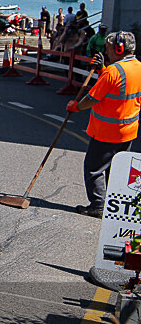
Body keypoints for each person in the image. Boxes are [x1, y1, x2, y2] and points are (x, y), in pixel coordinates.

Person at [66, 32, 141, 217]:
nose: (106, 52)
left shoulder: (113, 72)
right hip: (128, 131)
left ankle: (98, 206)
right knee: (116, 170)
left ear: (119, 49)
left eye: (108, 49)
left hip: (107, 132)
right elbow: (119, 87)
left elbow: (92, 98)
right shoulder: (138, 67)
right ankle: (116, 205)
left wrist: (75, 107)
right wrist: (102, 69)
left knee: (94, 169)